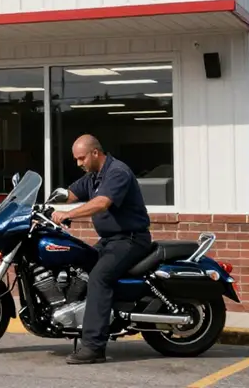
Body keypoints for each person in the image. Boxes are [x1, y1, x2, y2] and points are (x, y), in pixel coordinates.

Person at [51, 134, 153, 365]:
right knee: (80, 264)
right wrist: (44, 204)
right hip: (110, 240)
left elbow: (101, 203)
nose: (79, 164)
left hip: (131, 239)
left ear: (95, 153)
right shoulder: (93, 177)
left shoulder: (117, 172)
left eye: (81, 158)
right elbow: (70, 194)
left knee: (99, 277)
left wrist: (68, 214)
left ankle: (94, 347)